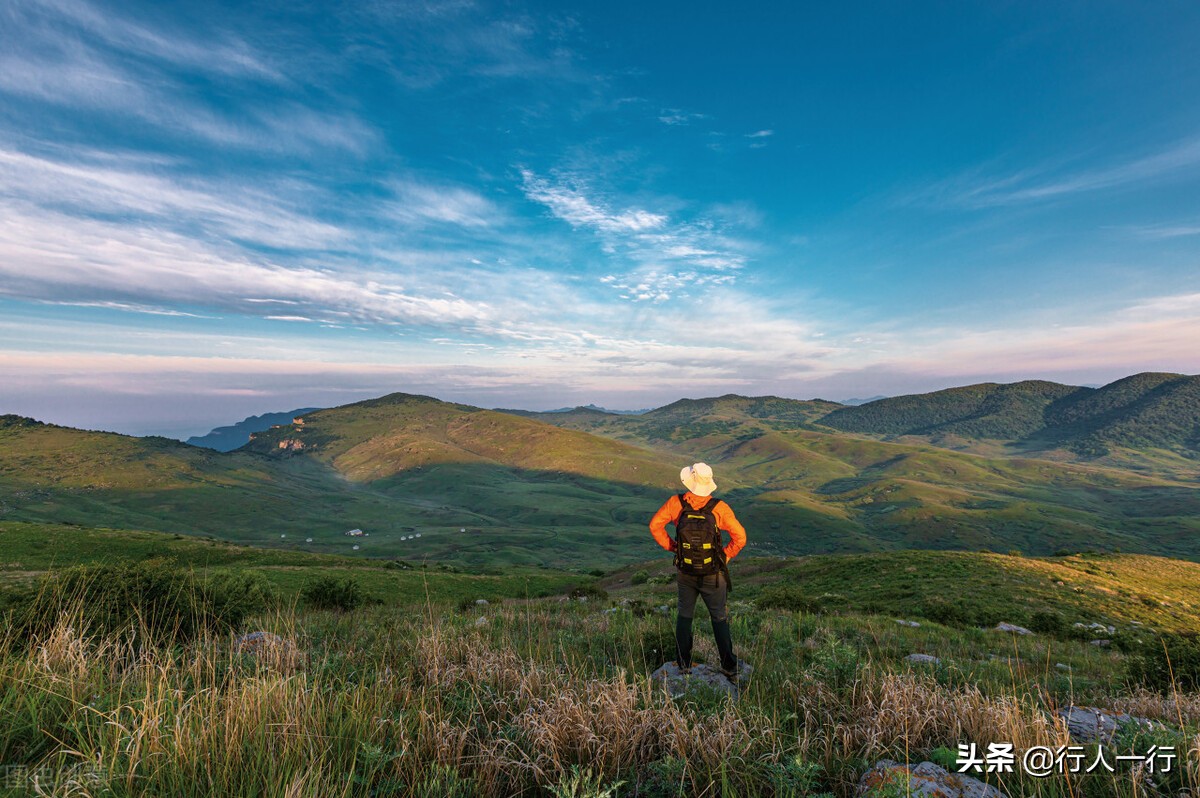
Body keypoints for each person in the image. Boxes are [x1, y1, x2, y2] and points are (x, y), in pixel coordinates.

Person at [648, 462, 746, 677]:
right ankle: (729, 665)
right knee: (719, 617)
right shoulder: (719, 508)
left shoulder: (676, 503)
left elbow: (655, 525)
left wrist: (673, 548)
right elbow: (741, 537)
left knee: (684, 615)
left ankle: (683, 663)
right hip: (713, 573)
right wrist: (726, 556)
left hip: (686, 572)